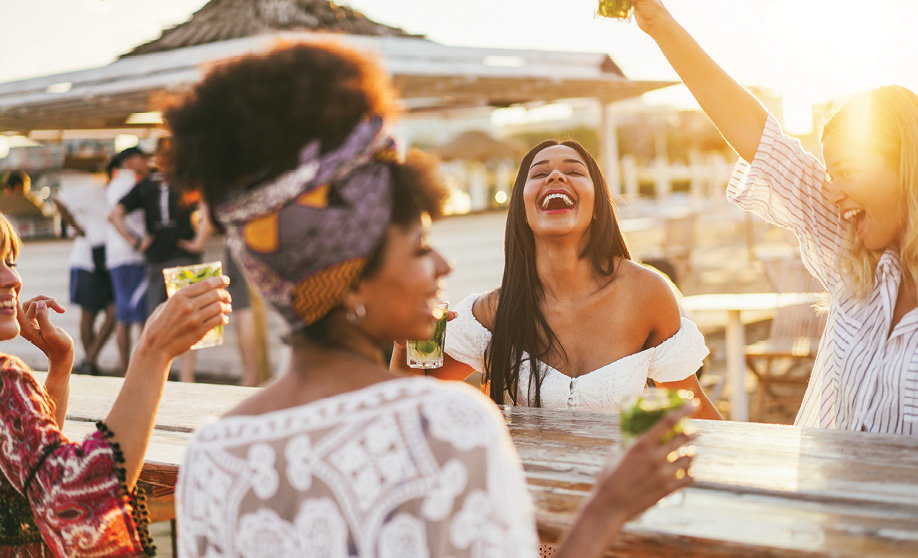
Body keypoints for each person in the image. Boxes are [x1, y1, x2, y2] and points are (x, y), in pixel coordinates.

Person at [165, 42, 696, 558]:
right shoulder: (446, 426)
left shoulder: (213, 454)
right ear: (351, 280)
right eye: (419, 249)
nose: (443, 266)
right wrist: (607, 509)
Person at [634, 0, 918, 435]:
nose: (831, 189)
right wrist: (660, 25)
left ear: (905, 168)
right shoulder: (857, 258)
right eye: (829, 173)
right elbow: (764, 142)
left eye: (847, 172)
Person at [392, 139, 721, 418]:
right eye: (539, 173)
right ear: (523, 208)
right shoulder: (494, 311)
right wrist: (402, 345)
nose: (556, 176)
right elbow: (409, 405)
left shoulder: (646, 293)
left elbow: (694, 410)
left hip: (623, 489)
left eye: (574, 171)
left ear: (596, 206)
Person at [0, 211, 232, 556]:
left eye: (10, 260)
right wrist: (153, 351)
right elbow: (79, 502)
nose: (11, 278)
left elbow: (40, 465)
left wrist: (61, 366)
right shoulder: (7, 379)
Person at [109, 140, 212, 382]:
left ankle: (153, 375)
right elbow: (209, 211)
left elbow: (114, 215)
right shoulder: (190, 180)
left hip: (156, 258)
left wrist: (137, 242)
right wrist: (199, 241)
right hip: (187, 255)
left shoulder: (145, 184)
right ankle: (187, 378)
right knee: (193, 317)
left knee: (155, 318)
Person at [53, 173, 115, 376]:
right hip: (87, 259)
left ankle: (89, 359)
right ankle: (90, 364)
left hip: (109, 259)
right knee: (88, 315)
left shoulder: (121, 193)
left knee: (113, 314)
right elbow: (59, 199)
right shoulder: (93, 190)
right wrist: (76, 227)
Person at [105, 147, 151, 374]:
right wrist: (136, 241)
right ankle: (133, 370)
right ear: (133, 161)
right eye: (144, 159)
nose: (148, 163)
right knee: (134, 316)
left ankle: (130, 369)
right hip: (129, 257)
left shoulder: (117, 183)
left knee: (128, 315)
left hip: (121, 258)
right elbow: (115, 216)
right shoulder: (128, 184)